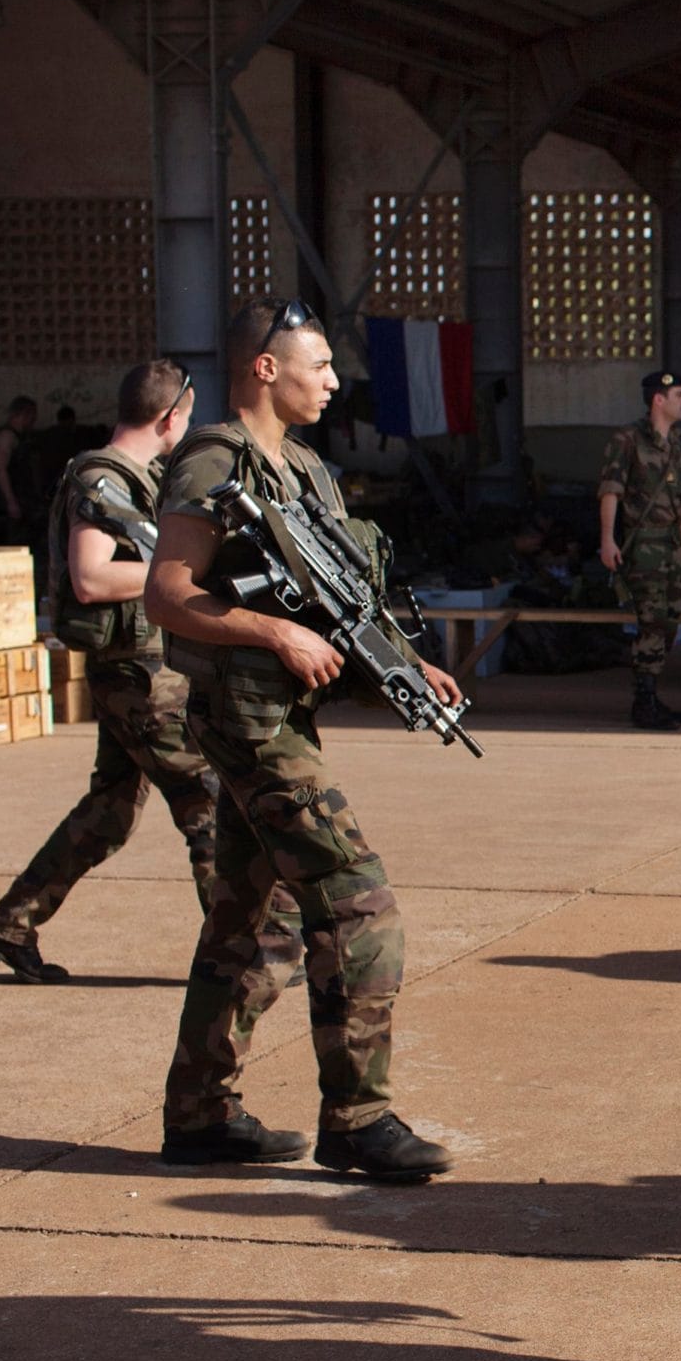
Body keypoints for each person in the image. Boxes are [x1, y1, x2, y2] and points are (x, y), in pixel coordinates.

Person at [145, 297, 461, 1179]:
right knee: (358, 903)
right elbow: (168, 594)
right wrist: (273, 633)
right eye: (317, 364)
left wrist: (405, 663)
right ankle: (358, 1118)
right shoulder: (215, 459)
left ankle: (199, 1112)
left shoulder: (309, 471)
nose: (331, 380)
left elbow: (342, 604)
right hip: (245, 719)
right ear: (264, 368)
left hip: (283, 716)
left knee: (254, 919)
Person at [0, 360, 244, 983]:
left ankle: (12, 924)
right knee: (205, 799)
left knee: (111, 809)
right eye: (189, 414)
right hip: (137, 676)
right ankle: (238, 953)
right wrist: (181, 580)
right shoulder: (101, 478)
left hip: (142, 669)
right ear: (170, 416)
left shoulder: (138, 477)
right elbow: (90, 577)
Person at [598, 372, 681, 731]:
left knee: (668, 624)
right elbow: (610, 491)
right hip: (644, 549)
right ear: (659, 399)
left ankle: (652, 695)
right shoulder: (627, 440)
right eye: (679, 395)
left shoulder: (675, 445)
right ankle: (643, 701)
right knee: (651, 623)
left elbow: (678, 501)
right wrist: (607, 540)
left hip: (670, 547)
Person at [0, 395, 38, 545]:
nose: (33, 421)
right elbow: (0, 469)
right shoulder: (6, 437)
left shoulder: (20, 437)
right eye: (32, 416)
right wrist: (11, 502)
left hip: (21, 499)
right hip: (6, 504)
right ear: (24, 414)